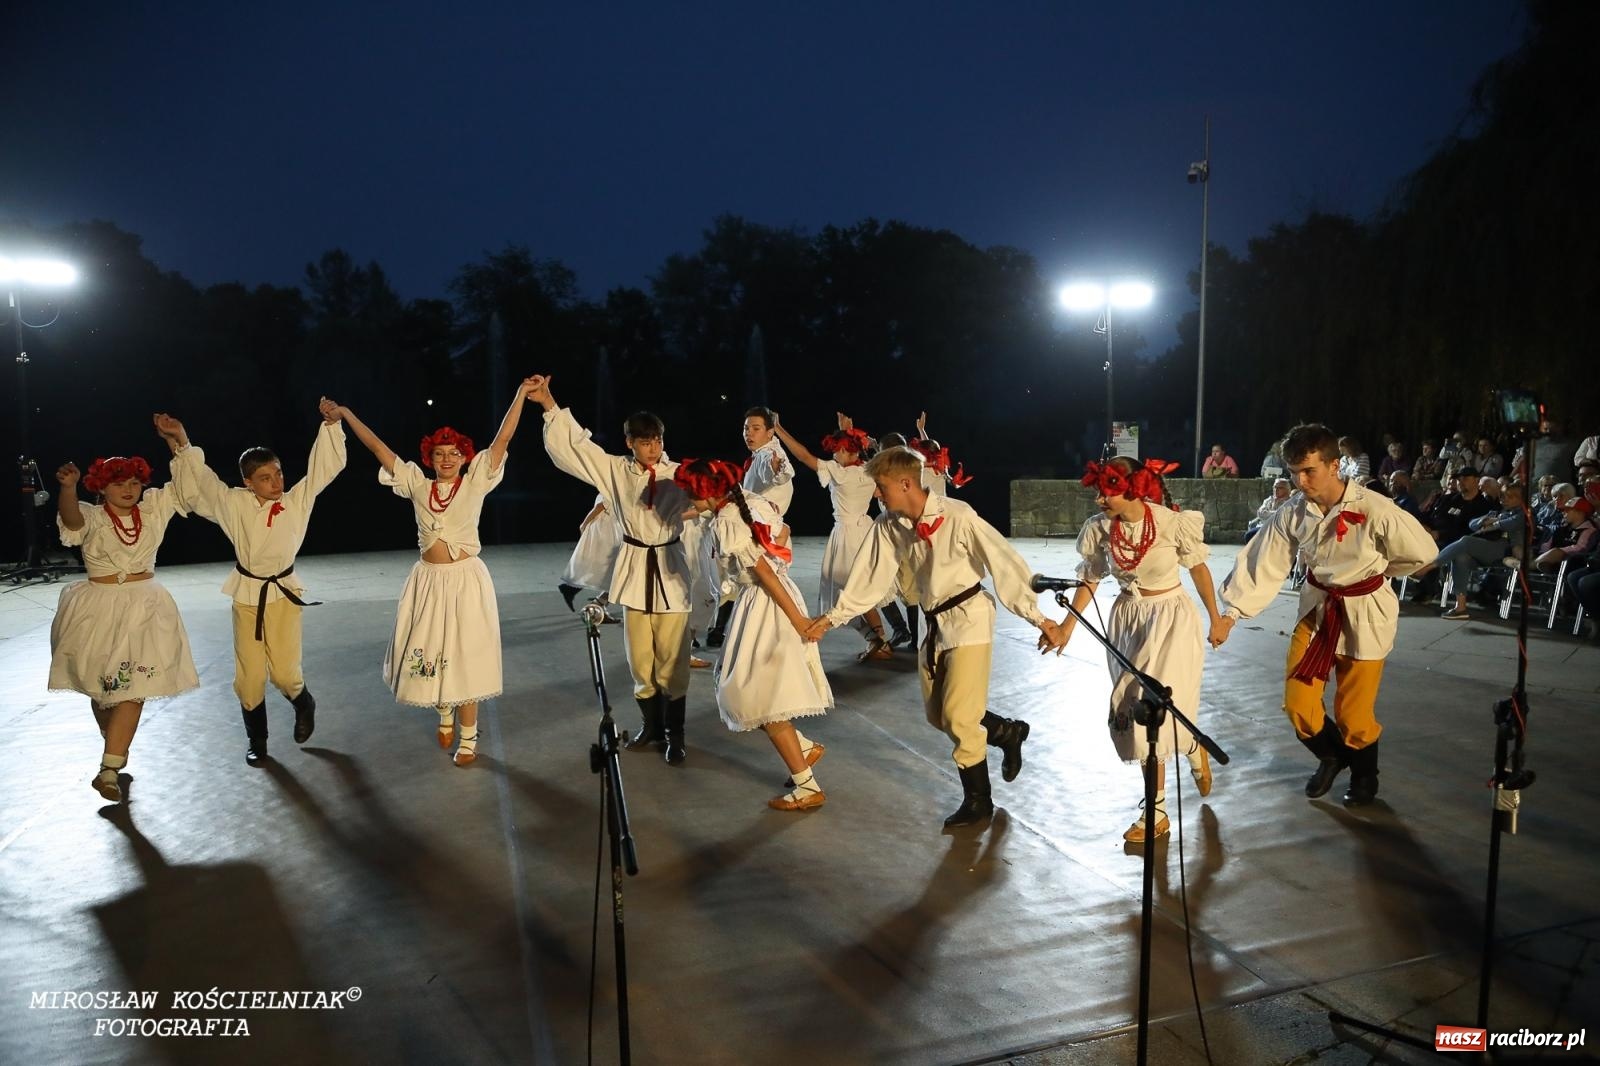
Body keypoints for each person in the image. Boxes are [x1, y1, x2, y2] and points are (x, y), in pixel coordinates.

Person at [805, 446, 1066, 828]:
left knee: (960, 717)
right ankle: (1007, 732)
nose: (878, 494)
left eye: (881, 487)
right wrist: (832, 618)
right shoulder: (889, 524)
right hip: (933, 623)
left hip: (969, 618)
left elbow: (1003, 562)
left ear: (906, 482)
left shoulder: (957, 516)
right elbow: (868, 576)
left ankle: (979, 802)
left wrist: (1040, 618)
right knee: (938, 716)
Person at [1212, 424, 1435, 806]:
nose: (1300, 481)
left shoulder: (1373, 508)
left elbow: (1422, 553)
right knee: (1299, 705)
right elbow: (1263, 561)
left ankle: (1365, 776)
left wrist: (1379, 573)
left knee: (1353, 712)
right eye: (1294, 472)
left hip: (1364, 613)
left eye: (1309, 471)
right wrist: (1232, 614)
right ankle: (1332, 756)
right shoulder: (1293, 512)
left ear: (1335, 466)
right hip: (1317, 610)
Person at [322, 383, 535, 766]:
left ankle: (468, 737)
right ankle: (443, 709)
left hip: (466, 580)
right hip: (429, 581)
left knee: (466, 655)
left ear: (465, 457)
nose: (448, 459)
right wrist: (347, 413)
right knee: (433, 649)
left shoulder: (475, 482)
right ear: (430, 458)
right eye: (440, 454)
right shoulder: (417, 484)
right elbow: (377, 448)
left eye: (454, 453)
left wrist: (520, 393)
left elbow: (503, 438)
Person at [165, 402, 346, 766]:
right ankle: (257, 740)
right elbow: (202, 484)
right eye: (266, 477)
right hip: (247, 595)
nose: (276, 482)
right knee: (249, 677)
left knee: (283, 672)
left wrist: (329, 425)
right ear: (248, 482)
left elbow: (322, 469)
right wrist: (182, 442)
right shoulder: (234, 503)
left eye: (278, 473)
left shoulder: (297, 499)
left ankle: (303, 701)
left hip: (283, 594)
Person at [531, 375, 696, 764]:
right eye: (644, 441)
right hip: (637, 569)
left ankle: (675, 734)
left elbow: (716, 498)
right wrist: (548, 402)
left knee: (674, 658)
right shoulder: (615, 470)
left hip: (671, 569)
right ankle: (651, 727)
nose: (653, 447)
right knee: (641, 658)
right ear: (630, 444)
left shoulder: (680, 473)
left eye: (656, 439)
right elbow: (576, 449)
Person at [1058, 457, 1223, 842]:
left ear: (1131, 487)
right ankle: (1193, 745)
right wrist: (1068, 626)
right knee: (1133, 705)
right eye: (1098, 490)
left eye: (1106, 490)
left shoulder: (1169, 522)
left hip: (1171, 620)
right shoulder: (1099, 529)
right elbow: (1091, 578)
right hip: (1129, 620)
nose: (1099, 499)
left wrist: (1216, 618)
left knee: (1155, 710)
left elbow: (1198, 568)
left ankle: (1157, 811)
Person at [674, 459, 833, 809]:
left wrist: (799, 621)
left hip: (765, 603)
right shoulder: (747, 502)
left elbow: (762, 571)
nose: (688, 499)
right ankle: (803, 748)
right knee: (744, 689)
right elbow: (784, 531)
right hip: (770, 598)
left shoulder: (729, 520)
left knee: (759, 698)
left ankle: (807, 787)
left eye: (691, 494)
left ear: (708, 493)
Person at [49, 438, 200, 803]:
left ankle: (109, 769)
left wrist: (180, 442)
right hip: (97, 610)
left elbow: (188, 488)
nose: (129, 490)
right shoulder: (94, 516)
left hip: (145, 607)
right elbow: (72, 522)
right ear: (102, 487)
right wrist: (67, 488)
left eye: (134, 482)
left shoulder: (153, 510)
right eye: (119, 483)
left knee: (133, 690)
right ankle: (114, 747)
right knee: (105, 694)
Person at [773, 411, 900, 661]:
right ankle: (877, 639)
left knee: (845, 589)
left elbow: (803, 456)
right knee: (856, 587)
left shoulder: (838, 471)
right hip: (865, 530)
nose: (834, 454)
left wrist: (779, 429)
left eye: (838, 449)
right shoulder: (867, 470)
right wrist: (845, 431)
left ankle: (879, 640)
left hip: (848, 535)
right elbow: (878, 493)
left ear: (848, 451)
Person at [706, 406, 795, 647]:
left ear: (770, 433)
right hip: (760, 532)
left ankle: (731, 632)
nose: (749, 433)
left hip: (763, 536)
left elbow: (781, 472)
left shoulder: (769, 454)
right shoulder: (757, 456)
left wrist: (778, 471)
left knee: (753, 584)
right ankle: (724, 630)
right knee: (743, 584)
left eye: (756, 428)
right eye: (746, 428)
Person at [1432, 484, 1526, 621]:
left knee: (1465, 541)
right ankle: (1461, 607)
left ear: (1521, 499)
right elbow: (1472, 524)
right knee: (1460, 557)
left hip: (1505, 552)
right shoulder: (1498, 512)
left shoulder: (1523, 514)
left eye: (1510, 497)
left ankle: (1431, 565)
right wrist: (1484, 521)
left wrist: (1495, 523)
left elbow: (1512, 524)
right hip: (1488, 549)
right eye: (1502, 496)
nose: (1504, 499)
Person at [557, 494, 623, 623]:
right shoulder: (615, 484)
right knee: (616, 572)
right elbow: (601, 505)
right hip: (607, 531)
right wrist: (584, 524)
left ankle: (574, 591)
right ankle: (598, 604)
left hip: (608, 528)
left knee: (609, 570)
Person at [1245, 478, 1293, 542]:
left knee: (1251, 535)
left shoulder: (1291, 502)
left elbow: (1283, 516)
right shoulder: (1269, 500)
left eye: (1279, 488)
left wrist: (1268, 513)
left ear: (1287, 490)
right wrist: (1276, 513)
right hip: (1263, 527)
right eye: (1274, 487)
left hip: (1280, 530)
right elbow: (1260, 513)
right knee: (1249, 535)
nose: (1276, 490)